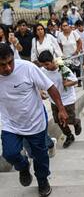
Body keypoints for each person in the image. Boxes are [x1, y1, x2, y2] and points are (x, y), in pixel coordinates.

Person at [0, 43, 68, 197]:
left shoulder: (27, 68)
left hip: (35, 121)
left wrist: (62, 109)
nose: (8, 68)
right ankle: (23, 167)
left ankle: (43, 181)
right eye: (2, 65)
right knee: (10, 153)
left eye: (10, 62)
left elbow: (50, 86)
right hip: (11, 124)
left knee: (40, 156)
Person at [38, 50, 82, 148]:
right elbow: (38, 80)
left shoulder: (63, 69)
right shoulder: (43, 70)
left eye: (47, 64)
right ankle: (69, 136)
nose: (45, 67)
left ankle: (76, 122)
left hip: (67, 99)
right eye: (43, 65)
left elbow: (75, 80)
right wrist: (41, 91)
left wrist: (66, 83)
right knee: (58, 120)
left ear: (52, 61)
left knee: (68, 119)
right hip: (54, 99)